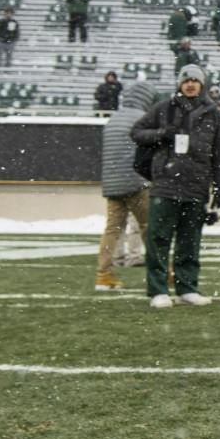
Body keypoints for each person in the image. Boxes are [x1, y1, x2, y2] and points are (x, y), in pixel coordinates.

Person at [130, 64, 220, 308]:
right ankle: (158, 290)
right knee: (159, 238)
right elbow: (137, 132)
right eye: (186, 80)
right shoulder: (164, 108)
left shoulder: (213, 113)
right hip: (166, 184)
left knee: (190, 239)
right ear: (180, 83)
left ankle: (187, 287)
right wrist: (163, 133)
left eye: (195, 80)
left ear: (202, 84)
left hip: (196, 185)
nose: (190, 84)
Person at [95, 80, 159, 290]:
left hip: (112, 184)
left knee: (112, 229)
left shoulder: (113, 119)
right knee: (148, 227)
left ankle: (103, 274)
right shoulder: (141, 119)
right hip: (135, 182)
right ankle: (161, 271)